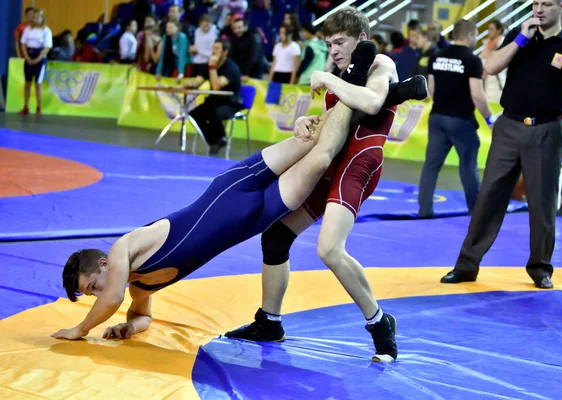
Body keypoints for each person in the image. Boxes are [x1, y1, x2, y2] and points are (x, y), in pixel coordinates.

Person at [51, 40, 380, 342]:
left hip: (232, 188)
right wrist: (129, 325)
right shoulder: (138, 286)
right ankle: (366, 89)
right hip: (253, 218)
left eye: (92, 286)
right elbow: (141, 314)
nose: (96, 295)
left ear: (105, 264)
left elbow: (112, 299)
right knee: (321, 157)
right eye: (90, 294)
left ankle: (353, 77)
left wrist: (80, 330)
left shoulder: (124, 248)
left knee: (307, 140)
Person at [224, 7, 428, 363]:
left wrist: (329, 80)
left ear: (361, 40)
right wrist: (308, 120)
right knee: (275, 237)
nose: (333, 50)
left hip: (359, 162)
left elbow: (373, 101)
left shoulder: (380, 64)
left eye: (339, 42)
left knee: (330, 249)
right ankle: (269, 321)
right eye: (328, 44)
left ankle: (381, 324)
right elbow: (338, 120)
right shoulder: (344, 72)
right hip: (332, 163)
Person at [440, 0, 562, 290]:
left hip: (546, 130)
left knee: (543, 204)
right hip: (508, 127)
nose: (539, 9)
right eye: (535, 3)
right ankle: (466, 265)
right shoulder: (517, 36)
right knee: (489, 197)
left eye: (547, 4)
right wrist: (520, 39)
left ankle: (540, 269)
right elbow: (490, 67)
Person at [418, 19, 494, 218]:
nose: (476, 39)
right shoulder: (472, 60)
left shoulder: (436, 56)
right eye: (476, 35)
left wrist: (444, 103)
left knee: (431, 166)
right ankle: (476, 211)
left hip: (437, 117)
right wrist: (489, 118)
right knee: (468, 166)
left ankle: (425, 210)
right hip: (461, 120)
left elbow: (431, 89)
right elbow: (477, 95)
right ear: (469, 35)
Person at [186, 38, 243, 155]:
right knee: (194, 115)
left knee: (214, 114)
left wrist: (212, 67)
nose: (213, 51)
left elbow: (217, 86)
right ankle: (215, 141)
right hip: (214, 100)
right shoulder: (209, 64)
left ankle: (220, 139)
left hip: (230, 102)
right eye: (213, 48)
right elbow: (198, 81)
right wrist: (190, 84)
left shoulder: (230, 67)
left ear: (225, 52)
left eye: (217, 49)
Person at [19, 9, 52, 116]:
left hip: (40, 58)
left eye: (38, 17)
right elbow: (23, 44)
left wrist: (37, 59)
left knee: (38, 83)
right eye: (34, 17)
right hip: (29, 56)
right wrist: (27, 57)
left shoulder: (46, 31)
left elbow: (47, 48)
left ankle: (38, 107)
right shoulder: (28, 29)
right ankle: (26, 107)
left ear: (42, 19)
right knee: (27, 83)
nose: (35, 19)